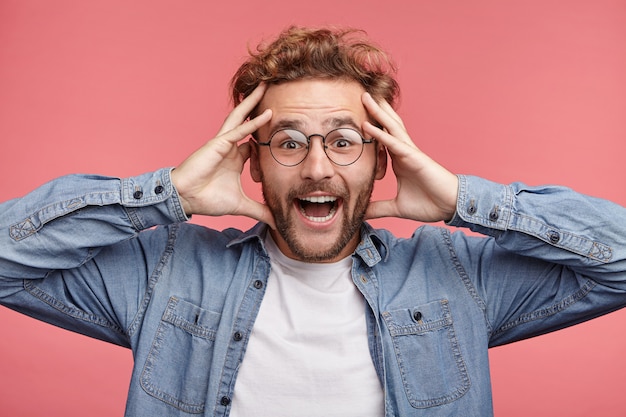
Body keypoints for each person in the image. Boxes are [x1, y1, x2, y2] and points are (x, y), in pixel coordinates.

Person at [1, 26, 625, 417]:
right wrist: (167, 194)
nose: (318, 168)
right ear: (252, 161)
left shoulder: (458, 277)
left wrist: (463, 199)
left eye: (346, 141)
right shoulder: (163, 270)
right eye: (289, 141)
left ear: (383, 161)